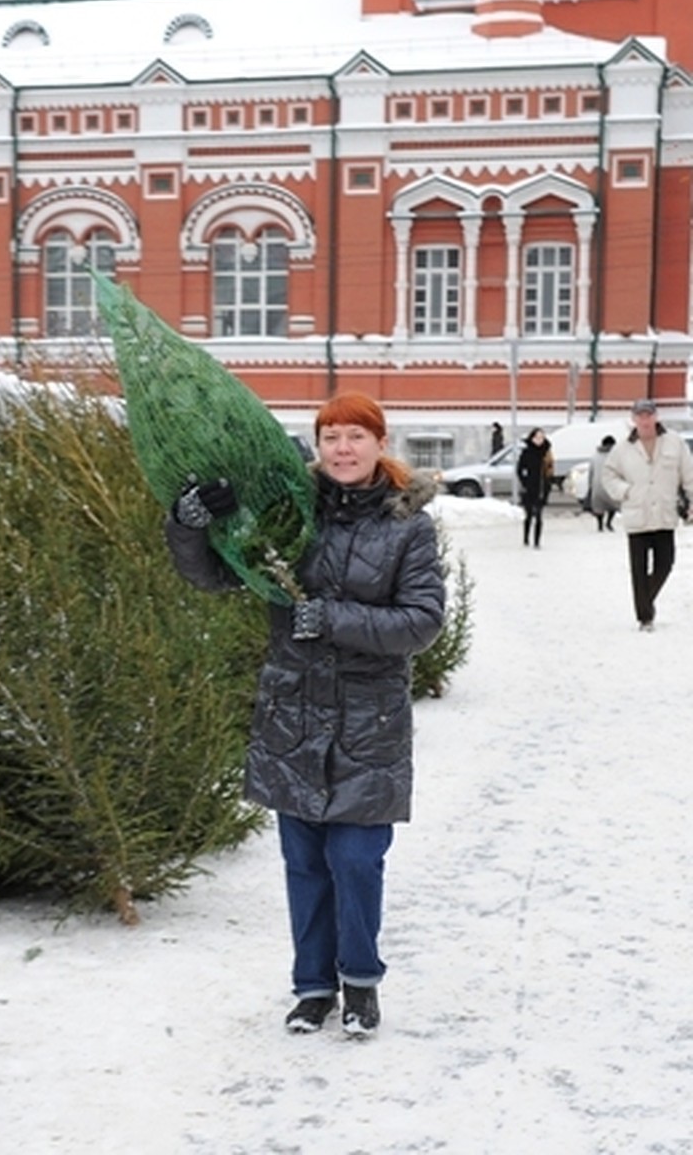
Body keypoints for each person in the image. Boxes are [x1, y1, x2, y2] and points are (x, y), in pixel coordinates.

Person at [164, 392, 445, 1038]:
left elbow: (423, 621)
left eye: (356, 436)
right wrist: (191, 525)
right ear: (317, 446)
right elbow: (217, 575)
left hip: (366, 719)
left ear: (380, 443)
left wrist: (337, 618)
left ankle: (361, 982)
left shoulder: (408, 527)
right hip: (294, 711)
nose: (342, 449)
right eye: (331, 437)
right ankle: (313, 988)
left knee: (355, 858)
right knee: (304, 861)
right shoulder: (290, 512)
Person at [600, 399, 693, 630]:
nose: (645, 420)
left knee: (665, 564)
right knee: (638, 569)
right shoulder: (622, 448)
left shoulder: (674, 443)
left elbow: (689, 475)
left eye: (648, 415)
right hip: (637, 515)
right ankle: (645, 617)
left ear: (656, 416)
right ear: (633, 419)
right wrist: (626, 492)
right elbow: (608, 475)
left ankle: (645, 600)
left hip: (664, 514)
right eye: (640, 416)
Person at [516, 427, 554, 548]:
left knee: (539, 515)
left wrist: (549, 482)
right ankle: (526, 538)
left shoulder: (547, 452)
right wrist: (525, 482)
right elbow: (520, 469)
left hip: (542, 487)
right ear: (532, 438)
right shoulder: (527, 452)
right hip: (529, 488)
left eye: (541, 437)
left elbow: (551, 468)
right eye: (537, 437)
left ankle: (537, 541)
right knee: (528, 515)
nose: (539, 440)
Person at [587, 435, 618, 532]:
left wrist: (590, 485)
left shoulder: (595, 456)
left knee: (598, 507)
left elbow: (591, 471)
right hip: (610, 485)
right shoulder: (614, 456)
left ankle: (600, 525)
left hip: (597, 486)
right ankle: (609, 522)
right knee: (613, 505)